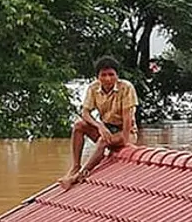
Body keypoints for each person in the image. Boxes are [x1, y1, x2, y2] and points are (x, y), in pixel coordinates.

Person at [59, 56, 139, 189]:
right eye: (104, 75)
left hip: (125, 131)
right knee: (79, 125)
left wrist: (125, 141)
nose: (108, 79)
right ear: (98, 77)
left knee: (103, 141)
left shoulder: (126, 88)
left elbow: (127, 118)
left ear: (117, 75)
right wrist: (99, 125)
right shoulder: (93, 88)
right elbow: (85, 112)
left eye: (111, 75)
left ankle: (79, 175)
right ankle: (75, 166)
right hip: (106, 128)